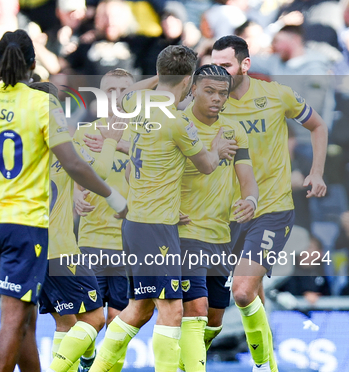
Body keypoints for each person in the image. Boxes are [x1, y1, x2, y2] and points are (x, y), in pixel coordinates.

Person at [0, 29, 127, 372]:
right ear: (34, 63)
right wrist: (112, 196)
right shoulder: (42, 105)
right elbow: (73, 163)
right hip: (26, 224)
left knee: (24, 320)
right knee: (15, 322)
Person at [89, 45, 237, 372]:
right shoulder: (179, 124)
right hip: (157, 226)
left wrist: (163, 75)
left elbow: (128, 92)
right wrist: (216, 147)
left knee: (140, 309)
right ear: (188, 81)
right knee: (173, 312)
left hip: (135, 224)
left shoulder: (136, 105)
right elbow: (208, 165)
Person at [211, 35, 328, 372]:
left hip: (272, 209)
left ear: (245, 65)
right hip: (227, 213)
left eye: (226, 65)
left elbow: (318, 126)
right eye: (214, 63)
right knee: (249, 291)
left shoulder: (277, 96)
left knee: (243, 291)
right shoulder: (207, 102)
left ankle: (264, 365)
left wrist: (316, 173)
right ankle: (261, 357)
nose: (219, 71)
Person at [176, 64, 258, 372]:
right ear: (193, 89)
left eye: (222, 93)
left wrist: (250, 200)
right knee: (194, 311)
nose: (216, 99)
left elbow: (247, 177)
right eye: (209, 91)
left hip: (221, 235)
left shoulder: (234, 130)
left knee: (213, 319)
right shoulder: (177, 124)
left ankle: (185, 363)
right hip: (184, 232)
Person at [38, 80, 124, 372]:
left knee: (65, 321)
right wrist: (111, 140)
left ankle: (76, 364)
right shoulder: (62, 147)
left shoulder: (26, 147)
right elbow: (97, 171)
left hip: (33, 249)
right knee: (95, 318)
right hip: (61, 250)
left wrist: (73, 191)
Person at [72, 68, 133, 371]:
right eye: (110, 90)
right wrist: (76, 193)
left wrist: (121, 145)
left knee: (117, 319)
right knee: (91, 319)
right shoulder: (86, 132)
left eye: (124, 90)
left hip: (127, 241)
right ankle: (86, 358)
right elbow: (75, 172)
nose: (117, 96)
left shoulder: (142, 135)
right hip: (92, 237)